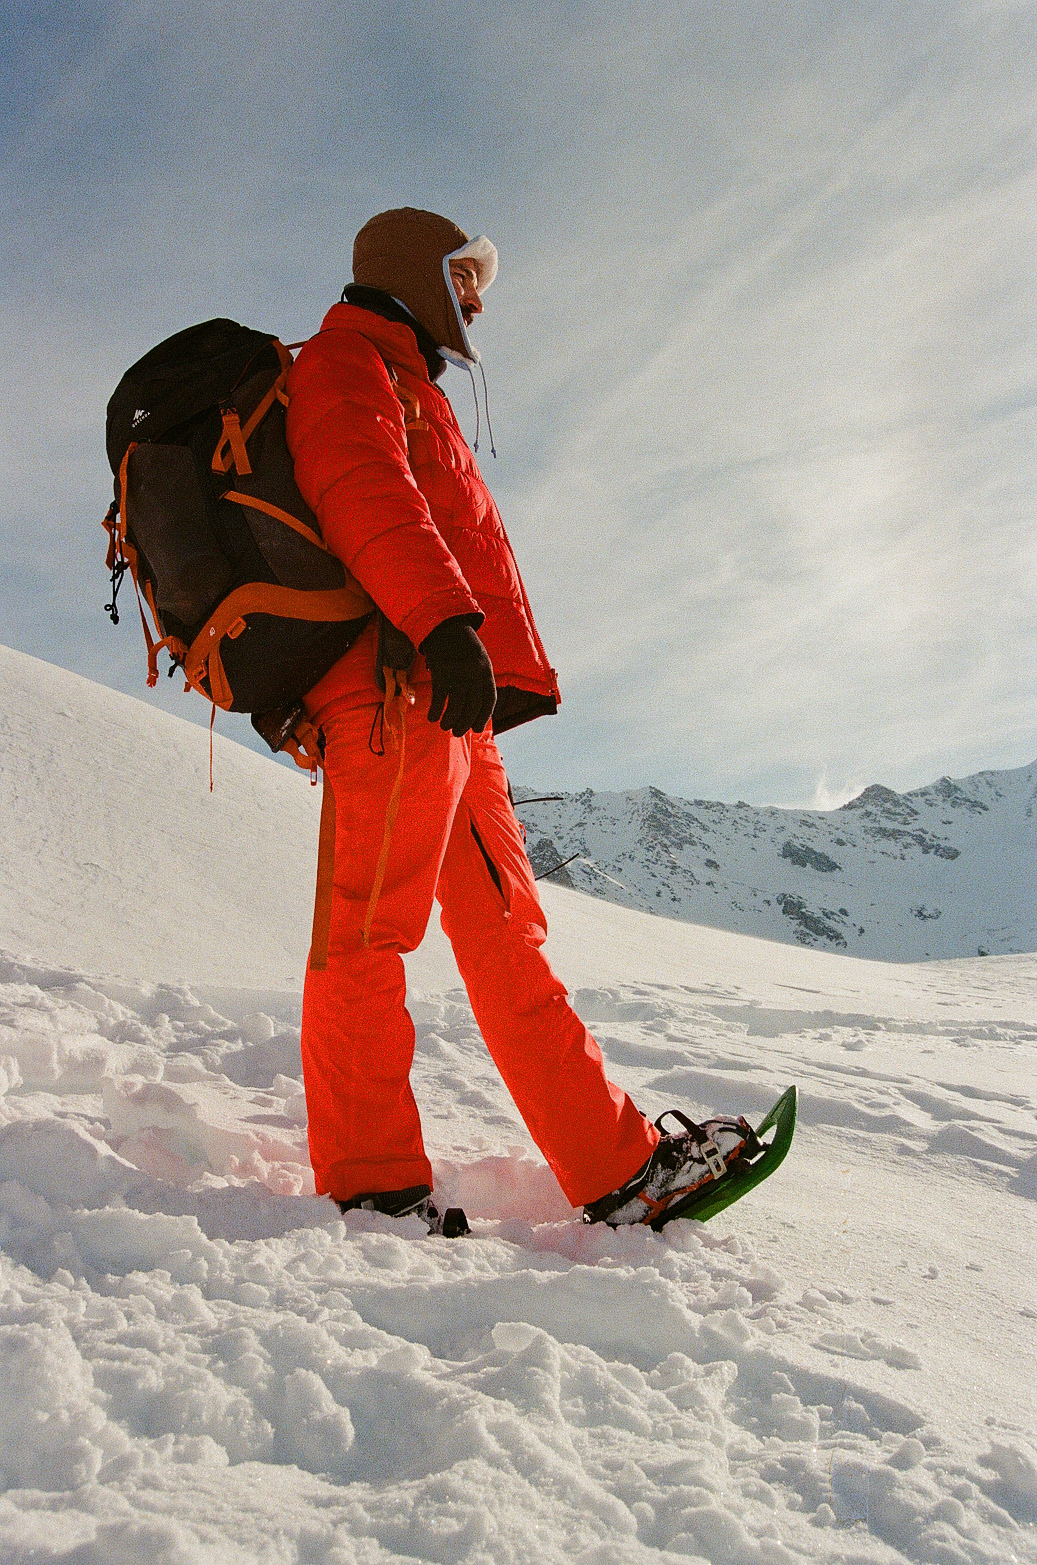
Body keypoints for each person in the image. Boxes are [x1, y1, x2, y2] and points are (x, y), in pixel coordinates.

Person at [286, 207, 751, 1234]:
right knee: (366, 931)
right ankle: (371, 1182)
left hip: (452, 697)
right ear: (411, 269)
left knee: (508, 936)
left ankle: (618, 1168)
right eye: (462, 276)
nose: (476, 300)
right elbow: (357, 484)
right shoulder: (344, 363)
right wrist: (443, 621)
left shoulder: (413, 387)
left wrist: (487, 657)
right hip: (389, 685)